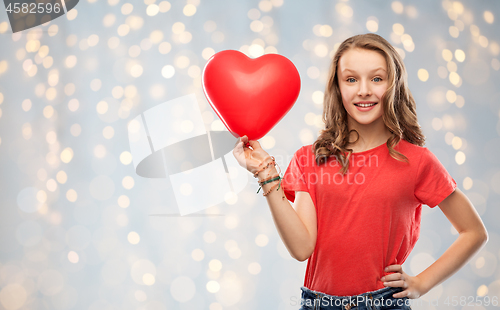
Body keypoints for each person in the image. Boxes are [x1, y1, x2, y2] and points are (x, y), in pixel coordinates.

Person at [232, 33, 488, 310]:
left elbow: (473, 232)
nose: (363, 90)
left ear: (393, 85)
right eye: (351, 79)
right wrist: (265, 173)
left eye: (377, 79)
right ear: (338, 87)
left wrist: (421, 283)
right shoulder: (310, 158)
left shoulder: (416, 161)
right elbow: (301, 247)